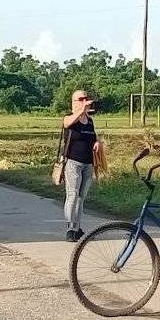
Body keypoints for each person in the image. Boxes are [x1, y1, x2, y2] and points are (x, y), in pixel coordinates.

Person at [61, 90, 100, 242]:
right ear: (73, 102)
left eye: (86, 99)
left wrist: (97, 143)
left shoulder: (89, 121)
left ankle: (77, 227)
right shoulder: (70, 117)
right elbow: (66, 123)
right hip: (73, 162)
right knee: (72, 194)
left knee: (81, 198)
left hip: (88, 163)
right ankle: (70, 228)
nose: (85, 101)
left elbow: (93, 136)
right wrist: (81, 111)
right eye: (81, 99)